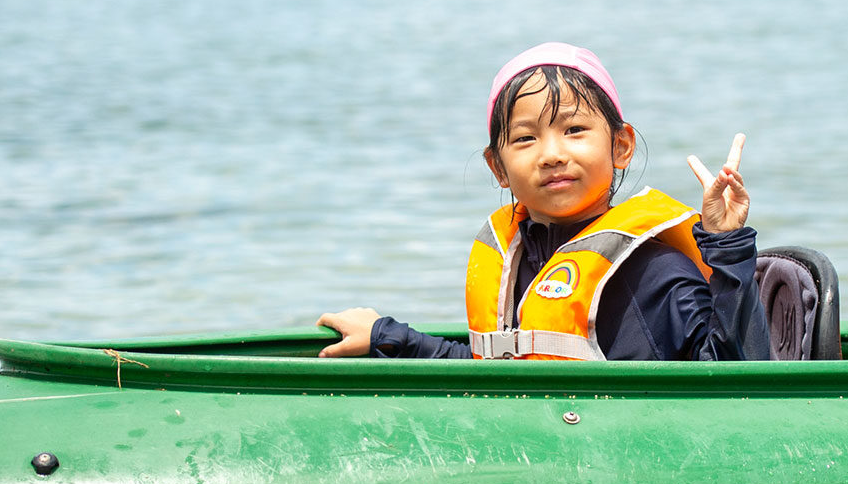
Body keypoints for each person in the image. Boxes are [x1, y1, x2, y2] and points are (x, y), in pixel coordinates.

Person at [315, 42, 771, 361]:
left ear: (621, 146)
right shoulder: (518, 259)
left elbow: (737, 379)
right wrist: (386, 338)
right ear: (498, 168)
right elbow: (493, 370)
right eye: (526, 138)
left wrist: (726, 245)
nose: (552, 154)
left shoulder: (656, 273)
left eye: (574, 130)